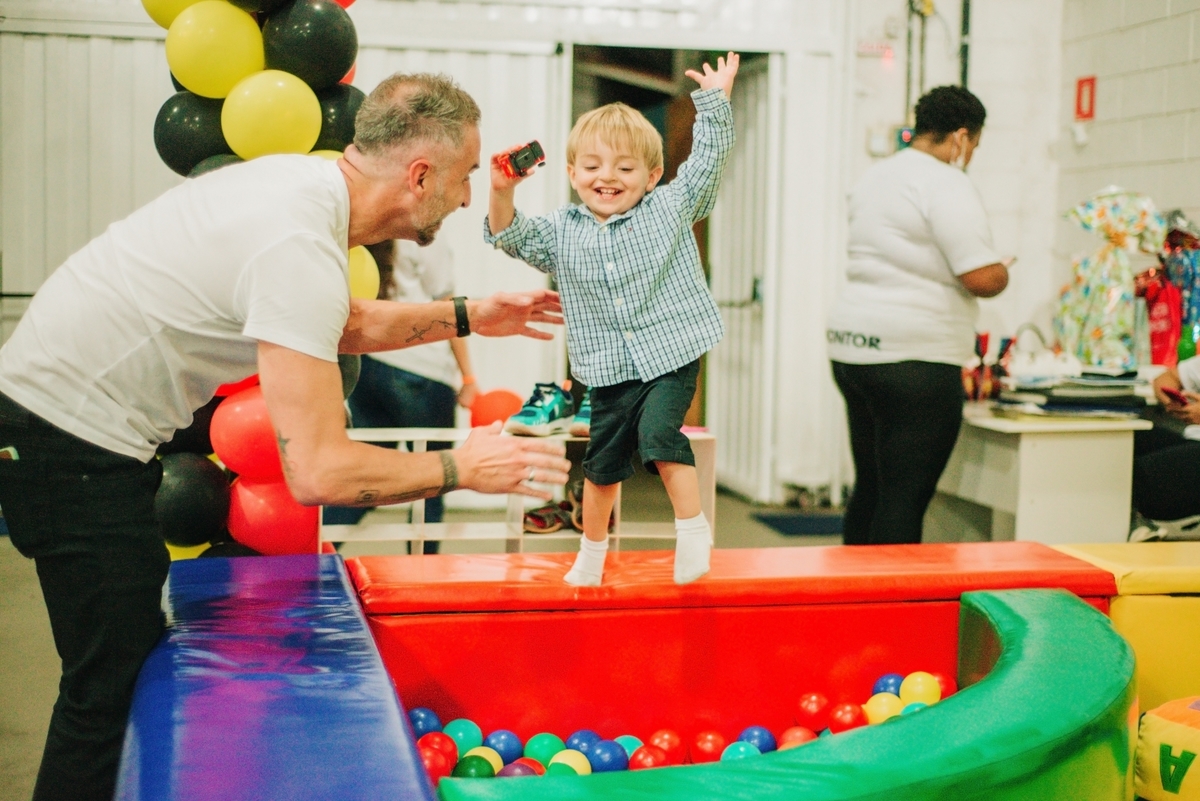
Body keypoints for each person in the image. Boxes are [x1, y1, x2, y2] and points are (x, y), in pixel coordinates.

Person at [0, 72, 571, 801]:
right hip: (65, 441)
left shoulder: (302, 187)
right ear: (420, 175)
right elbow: (320, 473)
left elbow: (339, 319)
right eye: (461, 182)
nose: (465, 199)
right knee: (105, 691)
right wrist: (460, 466)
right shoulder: (298, 239)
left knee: (116, 676)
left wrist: (470, 313)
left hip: (63, 426)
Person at [486, 53, 740, 586]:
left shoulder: (670, 207)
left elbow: (708, 161)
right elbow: (509, 236)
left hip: (670, 352)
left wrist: (715, 101)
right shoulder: (560, 230)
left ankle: (693, 533)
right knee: (601, 467)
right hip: (605, 366)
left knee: (658, 434)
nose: (608, 178)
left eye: (625, 169)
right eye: (594, 167)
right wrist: (503, 190)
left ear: (651, 176)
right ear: (573, 172)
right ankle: (591, 553)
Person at [826, 85, 1011, 546]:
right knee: (905, 497)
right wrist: (1003, 272)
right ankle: (892, 614)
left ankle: (854, 600)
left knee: (871, 486)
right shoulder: (946, 181)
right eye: (975, 147)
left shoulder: (877, 175)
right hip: (913, 357)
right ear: (962, 137)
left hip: (852, 347)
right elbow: (979, 277)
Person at [328, 237, 478, 553]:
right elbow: (449, 310)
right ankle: (420, 573)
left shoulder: (368, 230)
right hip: (418, 371)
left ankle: (309, 552)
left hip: (367, 365)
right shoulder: (425, 237)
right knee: (435, 478)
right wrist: (468, 376)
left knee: (365, 477)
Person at [1132, 360, 1200, 534]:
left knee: (1139, 474)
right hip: (1193, 439)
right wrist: (1171, 399)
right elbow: (1166, 377)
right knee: (1126, 440)